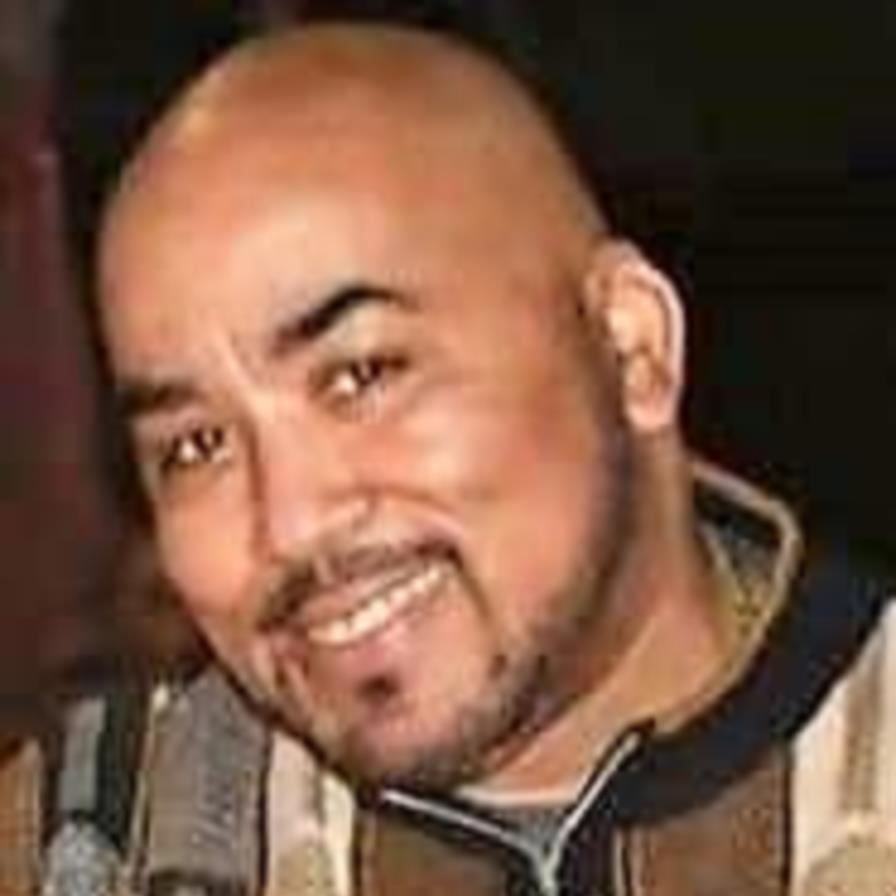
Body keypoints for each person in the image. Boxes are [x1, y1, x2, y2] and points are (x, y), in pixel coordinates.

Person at [4, 22, 895, 896]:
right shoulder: (86, 840)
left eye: (361, 376)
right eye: (196, 446)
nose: (290, 525)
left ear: (631, 347)